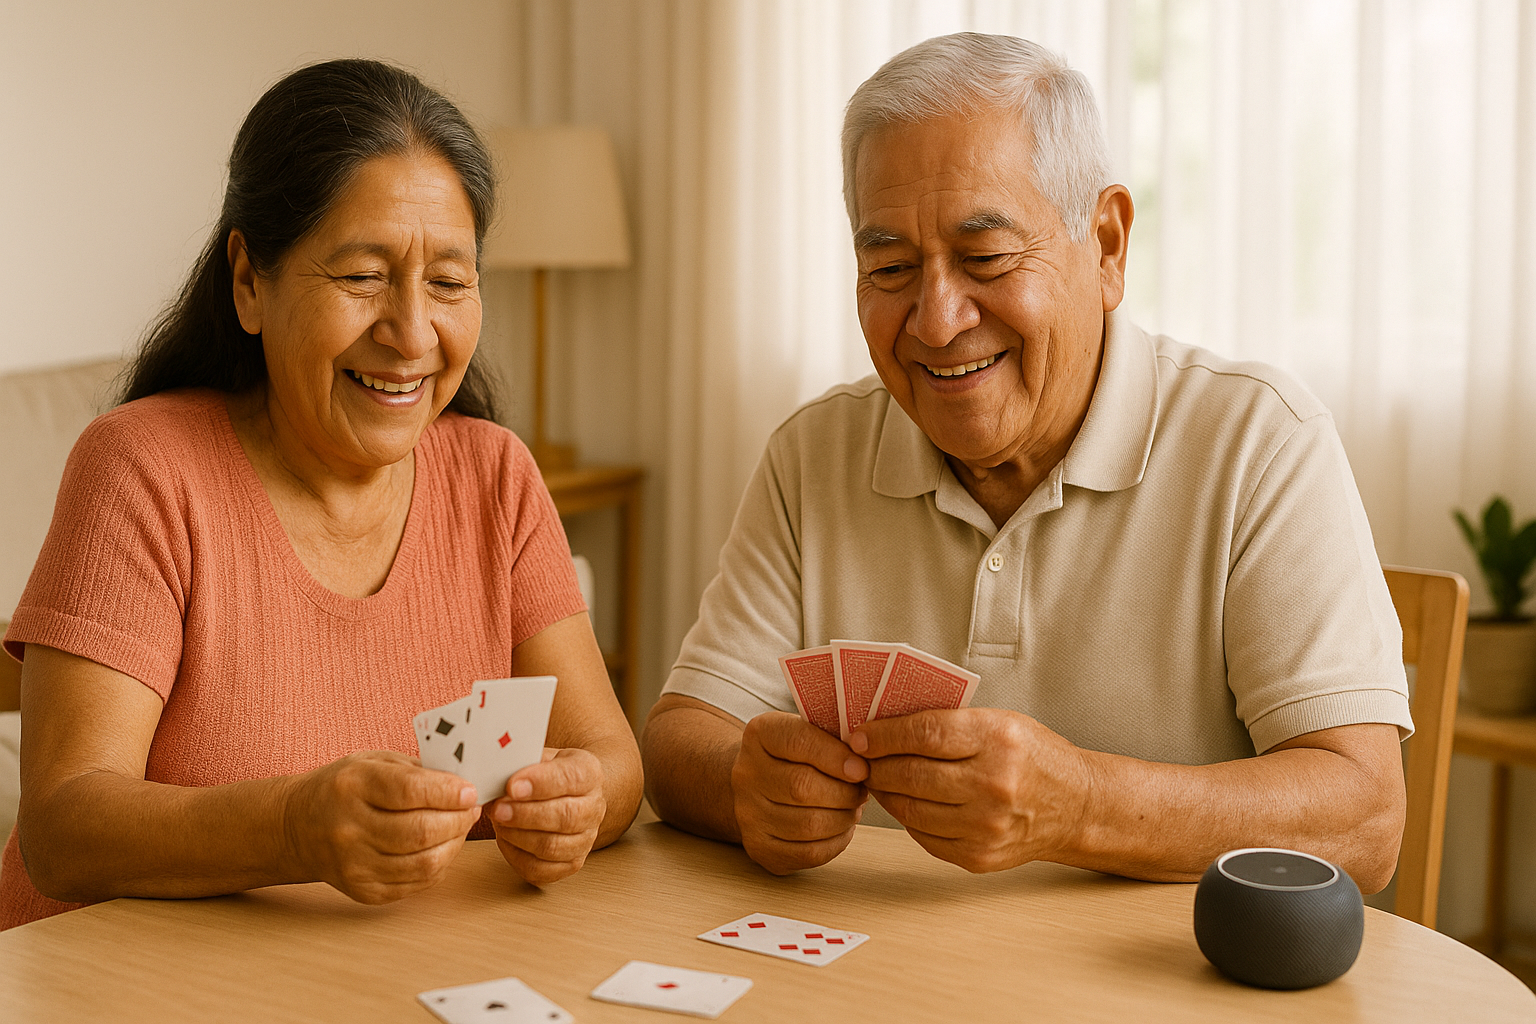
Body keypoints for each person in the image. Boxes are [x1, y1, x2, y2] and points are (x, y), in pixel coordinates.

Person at [642, 33, 1411, 888]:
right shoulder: (810, 454)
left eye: (987, 258)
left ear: (1108, 244)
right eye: (890, 265)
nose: (935, 321)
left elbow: (1366, 818)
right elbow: (682, 738)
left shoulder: (1260, 442)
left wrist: (1081, 805)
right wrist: (744, 784)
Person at [0, 59, 642, 930]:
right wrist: (294, 826)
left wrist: (581, 800)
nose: (412, 332)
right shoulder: (141, 468)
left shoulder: (496, 475)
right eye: (362, 276)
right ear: (249, 283)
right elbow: (62, 828)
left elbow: (613, 758)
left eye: (449, 282)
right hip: (111, 980)